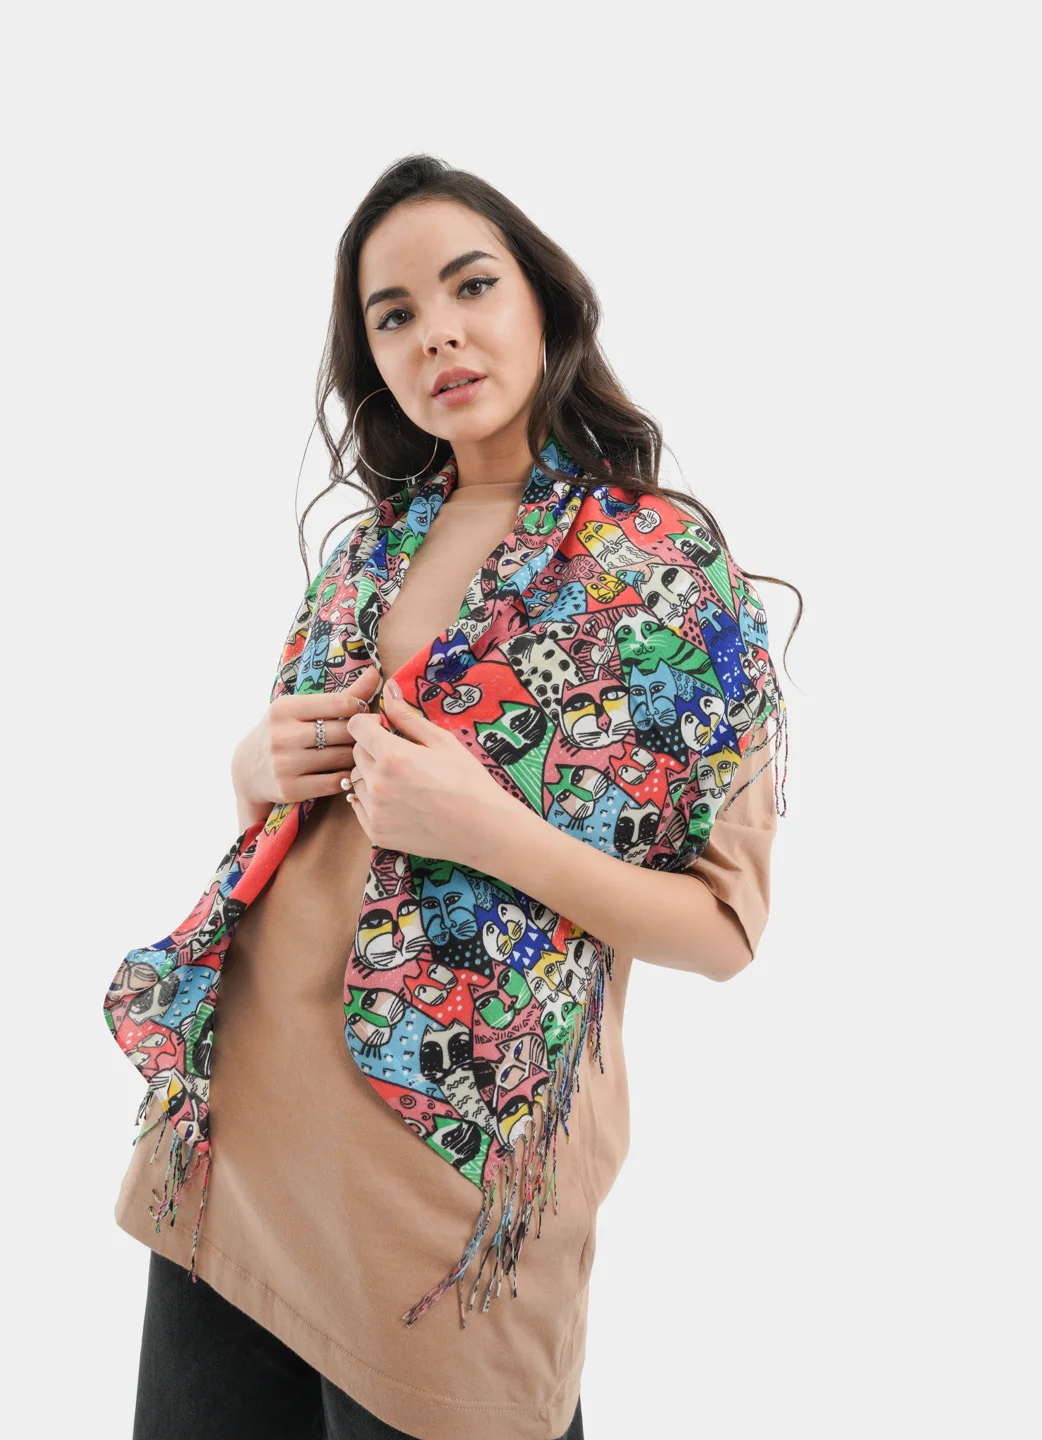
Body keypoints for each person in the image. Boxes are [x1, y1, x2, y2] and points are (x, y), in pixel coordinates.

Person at [110, 154, 792, 1440]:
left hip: (439, 1209)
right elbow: (294, 831)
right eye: (396, 314)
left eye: (470, 286)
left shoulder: (661, 568)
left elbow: (724, 930)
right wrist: (253, 769)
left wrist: (491, 832)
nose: (438, 332)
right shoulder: (363, 552)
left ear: (543, 299)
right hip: (233, 1148)